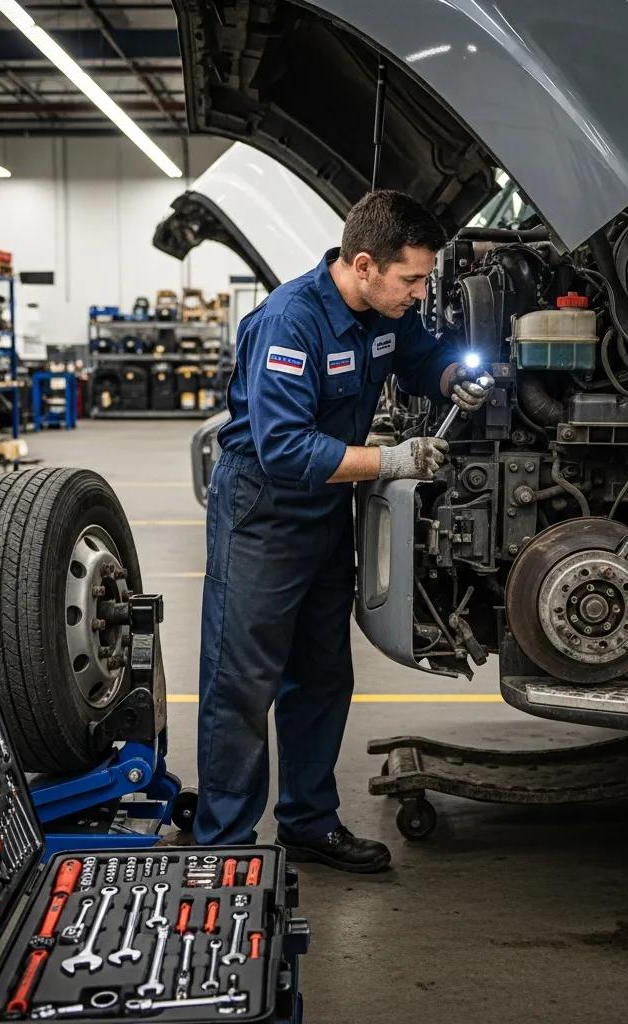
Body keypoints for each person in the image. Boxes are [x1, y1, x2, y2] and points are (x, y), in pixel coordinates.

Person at [194, 189, 488, 871]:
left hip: (327, 507)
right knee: (242, 681)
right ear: (363, 264)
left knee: (322, 675)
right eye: (410, 278)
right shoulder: (291, 322)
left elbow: (421, 357)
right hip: (263, 508)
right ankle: (227, 845)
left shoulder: (385, 313)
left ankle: (307, 822)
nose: (418, 292)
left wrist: (452, 380)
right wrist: (390, 460)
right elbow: (285, 449)